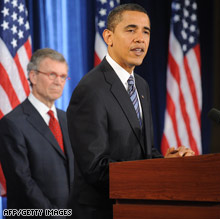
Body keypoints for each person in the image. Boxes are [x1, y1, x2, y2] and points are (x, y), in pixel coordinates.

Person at [66, 3, 194, 219]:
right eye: (131, 30)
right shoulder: (90, 89)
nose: (140, 38)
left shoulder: (141, 85)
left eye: (146, 31)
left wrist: (164, 162)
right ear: (109, 37)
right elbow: (96, 169)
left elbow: (142, 151)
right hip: (102, 212)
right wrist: (155, 173)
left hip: (136, 206)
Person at [0, 48, 74, 216]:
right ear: (33, 76)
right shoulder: (12, 124)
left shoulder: (68, 120)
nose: (58, 82)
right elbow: (22, 183)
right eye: (52, 75)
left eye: (63, 77)